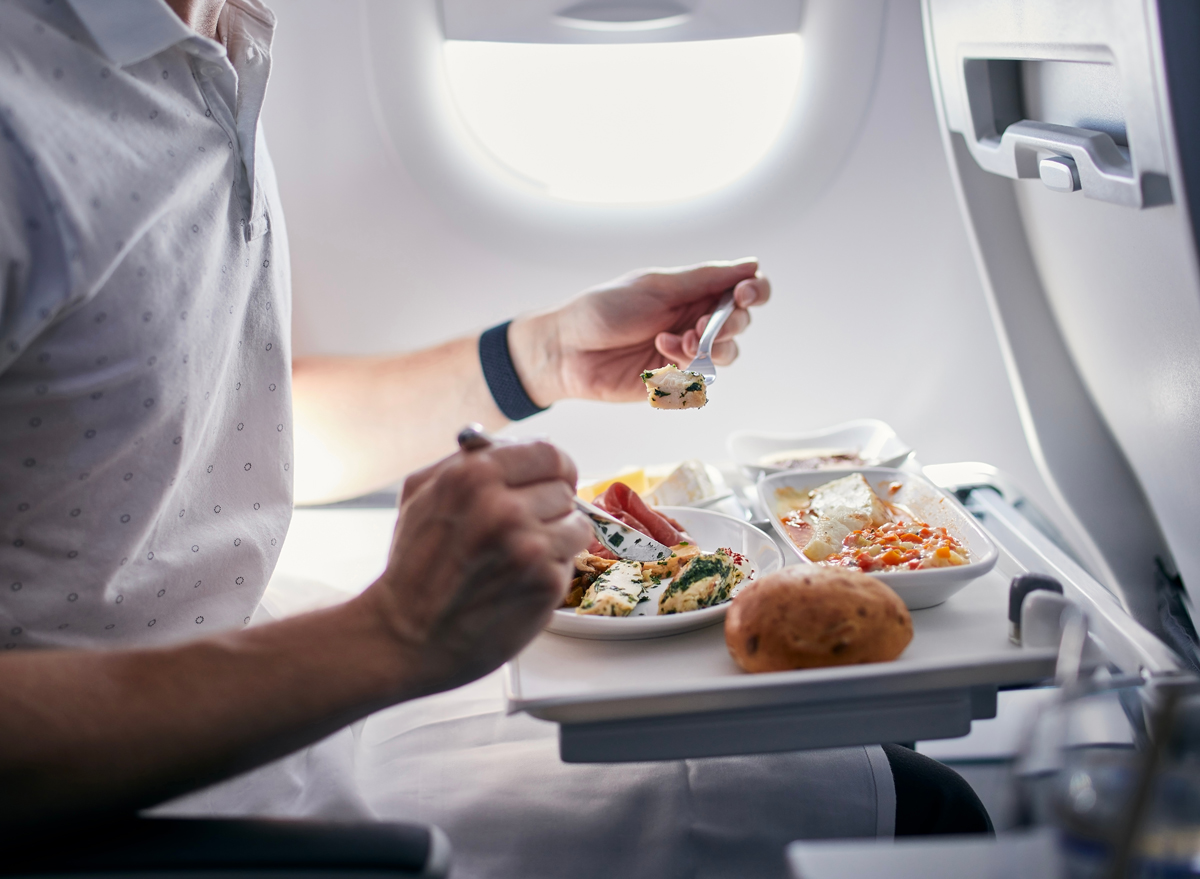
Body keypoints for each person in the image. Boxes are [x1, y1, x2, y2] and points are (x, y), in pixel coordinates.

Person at [0, 0, 989, 872]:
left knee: (878, 760)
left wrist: (541, 357)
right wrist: (387, 635)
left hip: (271, 663)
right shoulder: (23, 112)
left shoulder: (221, 35)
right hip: (148, 797)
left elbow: (216, 431)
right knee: (917, 811)